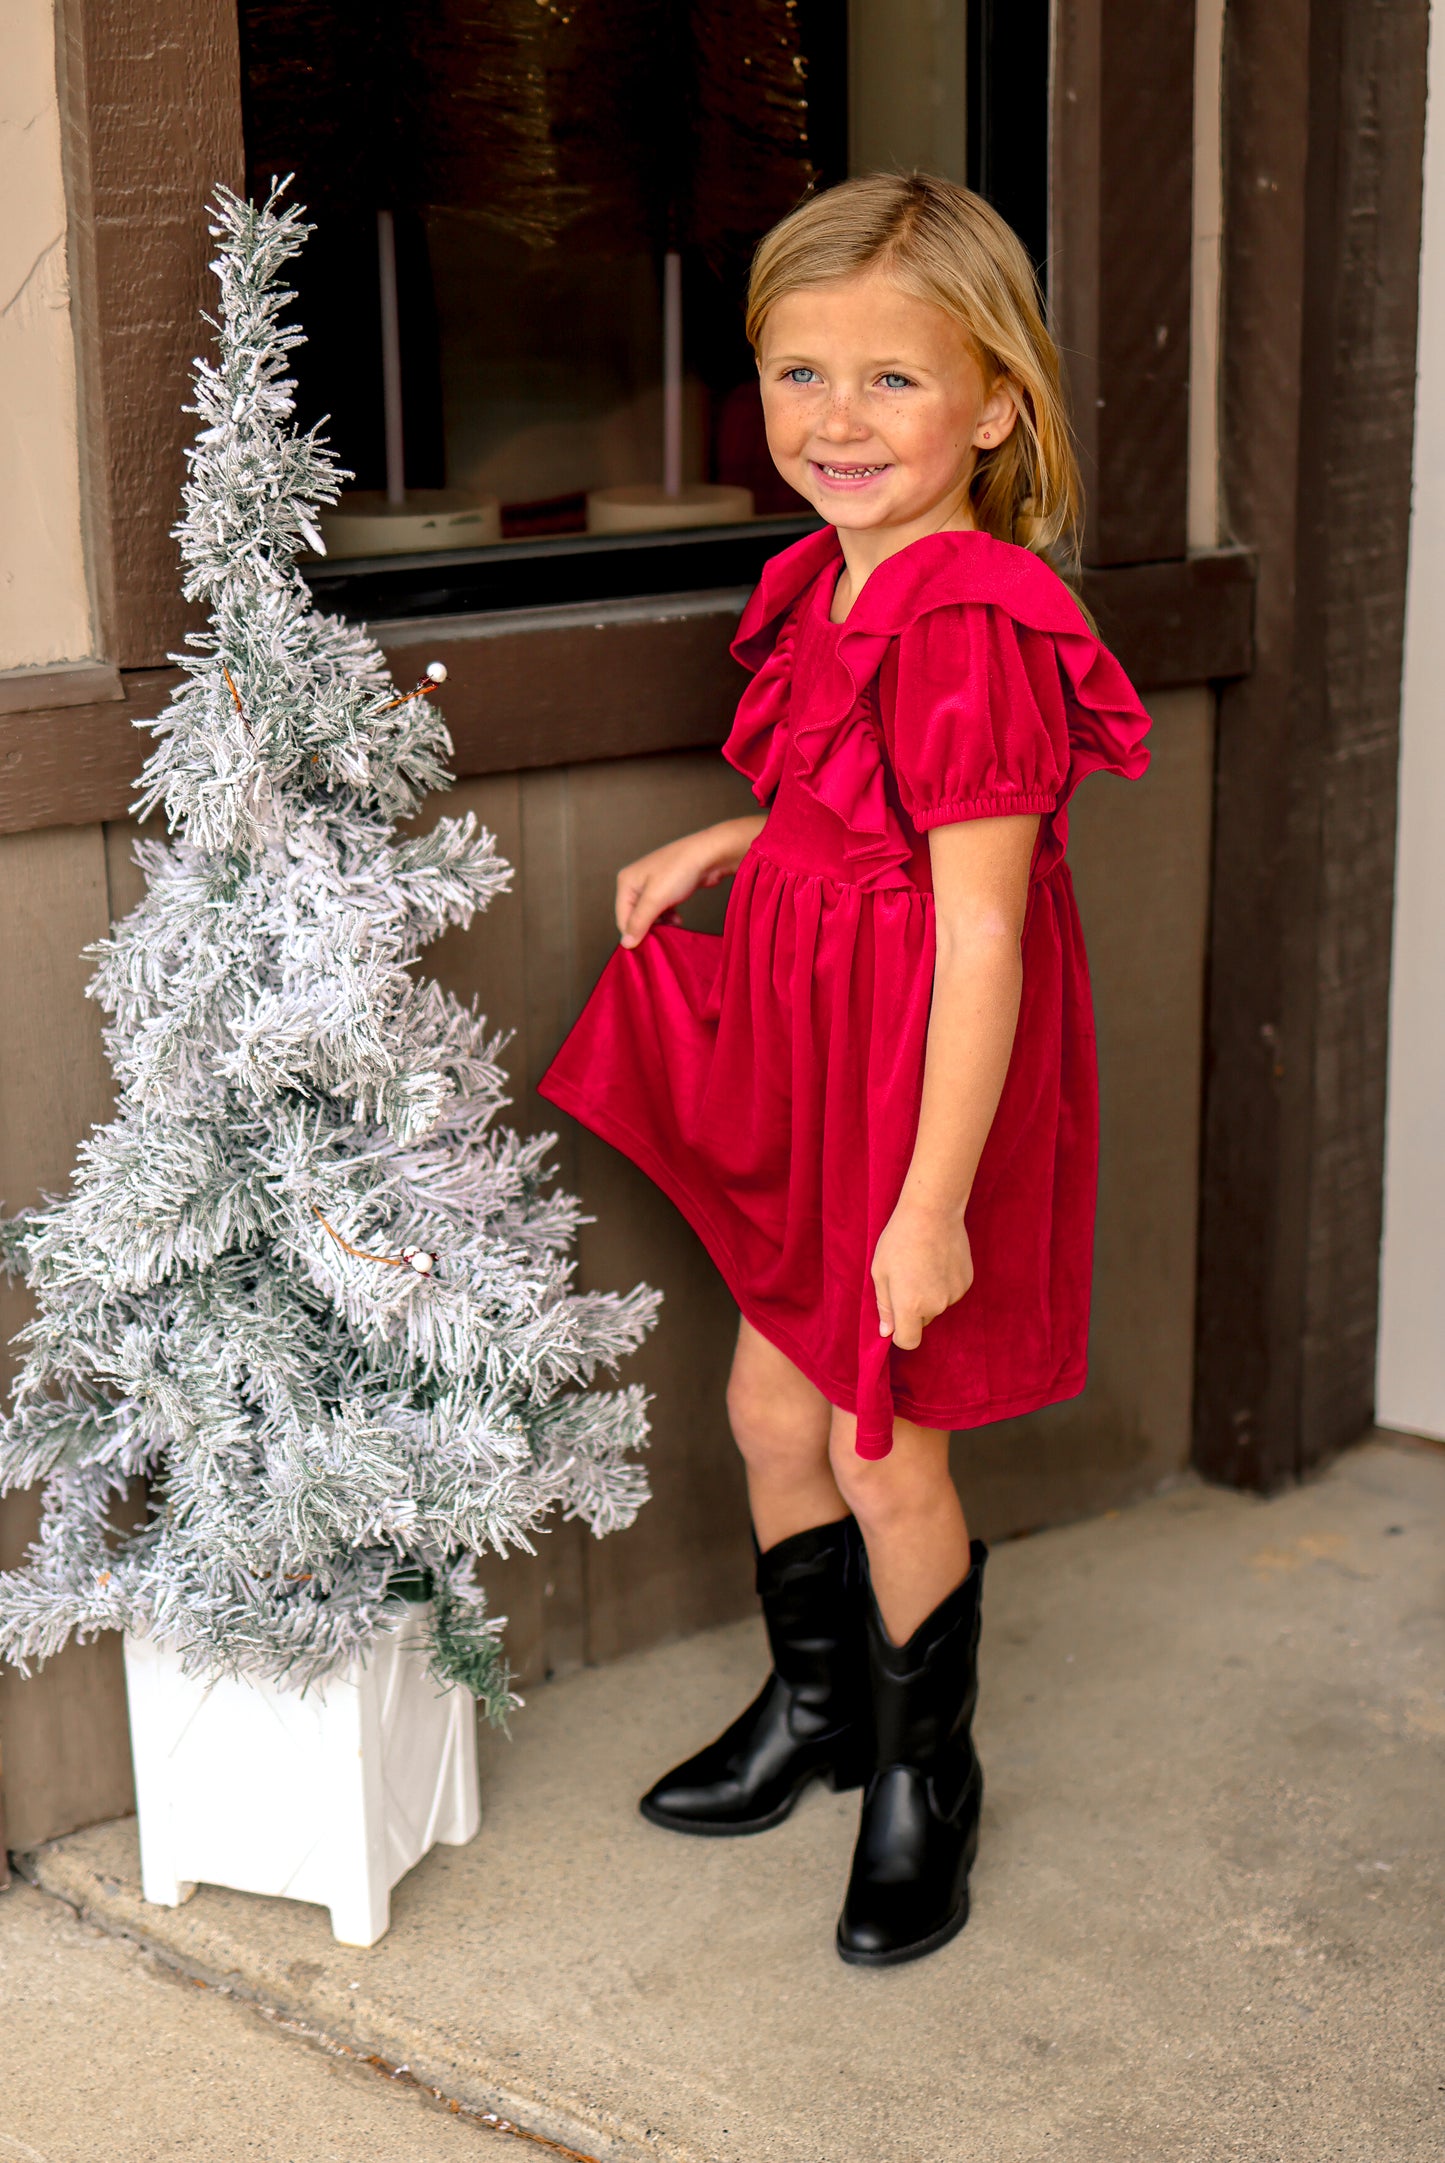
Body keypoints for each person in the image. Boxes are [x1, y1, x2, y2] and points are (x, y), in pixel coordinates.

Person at [538, 172, 1152, 1967]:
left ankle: (920, 1776)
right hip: (811, 1032)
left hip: (909, 1086)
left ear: (996, 405)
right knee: (765, 1410)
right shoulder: (840, 580)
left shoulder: (970, 619)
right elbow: (867, 796)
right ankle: (814, 1712)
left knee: (883, 1451)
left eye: (891, 379)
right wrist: (742, 841)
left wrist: (932, 1205)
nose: (835, 418)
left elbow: (983, 931)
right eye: (799, 373)